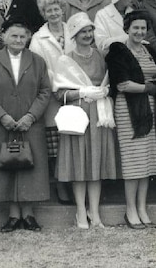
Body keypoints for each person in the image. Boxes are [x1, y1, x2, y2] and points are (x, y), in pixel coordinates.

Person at [0, 18, 51, 233]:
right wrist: (2, 117)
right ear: (4, 37)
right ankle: (12, 215)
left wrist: (30, 116)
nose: (18, 40)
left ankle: (28, 215)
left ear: (28, 38)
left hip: (30, 125)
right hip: (2, 125)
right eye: (14, 36)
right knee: (7, 166)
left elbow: (44, 91)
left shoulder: (38, 61)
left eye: (22, 36)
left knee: (29, 166)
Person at [51, 13, 117, 229]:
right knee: (79, 163)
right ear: (74, 35)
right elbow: (59, 94)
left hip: (99, 113)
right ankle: (80, 211)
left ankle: (94, 212)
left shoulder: (101, 56)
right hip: (78, 114)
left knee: (95, 162)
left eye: (90, 31)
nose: (88, 35)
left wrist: (104, 90)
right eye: (83, 32)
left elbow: (109, 84)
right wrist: (81, 91)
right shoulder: (65, 59)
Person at [106, 11, 156, 229]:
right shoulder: (119, 51)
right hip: (128, 109)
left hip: (148, 108)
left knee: (147, 160)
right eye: (135, 28)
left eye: (143, 28)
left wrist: (152, 89)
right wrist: (150, 88)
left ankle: (142, 208)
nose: (139, 32)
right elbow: (122, 85)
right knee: (133, 162)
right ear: (127, 28)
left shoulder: (148, 50)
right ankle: (130, 210)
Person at [29, 0, 72, 204]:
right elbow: (41, 69)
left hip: (74, 93)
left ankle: (73, 182)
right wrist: (59, 87)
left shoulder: (72, 31)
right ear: (43, 13)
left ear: (63, 9)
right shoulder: (38, 38)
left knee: (72, 138)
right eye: (49, 10)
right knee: (56, 144)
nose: (54, 13)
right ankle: (61, 186)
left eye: (57, 8)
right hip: (54, 95)